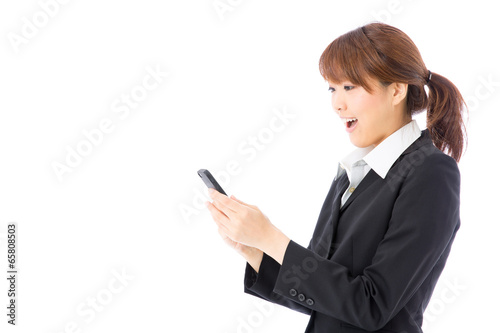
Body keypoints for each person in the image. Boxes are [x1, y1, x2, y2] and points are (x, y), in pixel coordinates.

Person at [205, 22, 467, 333]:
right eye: (332, 88)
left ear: (396, 89)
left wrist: (270, 237)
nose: (336, 104)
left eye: (349, 87)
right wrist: (254, 250)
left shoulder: (431, 173)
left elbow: (371, 306)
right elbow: (327, 296)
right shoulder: (353, 173)